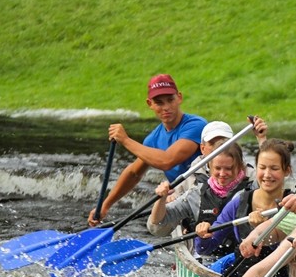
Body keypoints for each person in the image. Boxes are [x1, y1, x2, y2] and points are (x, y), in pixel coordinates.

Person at [88, 74, 207, 226]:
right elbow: (133, 173)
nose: (166, 107)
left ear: (179, 97)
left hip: (207, 195)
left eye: (170, 100)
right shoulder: (152, 140)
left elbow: (167, 160)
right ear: (149, 104)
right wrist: (105, 206)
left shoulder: (196, 125)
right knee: (155, 224)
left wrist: (125, 140)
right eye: (159, 103)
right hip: (182, 199)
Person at [195, 139, 294, 276]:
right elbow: (204, 249)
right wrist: (203, 236)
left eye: (274, 168)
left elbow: (293, 252)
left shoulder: (294, 205)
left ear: (287, 171)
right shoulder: (240, 202)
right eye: (262, 167)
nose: (267, 174)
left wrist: (262, 229)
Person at [146, 142, 249, 257]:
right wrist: (161, 199)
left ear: (240, 167)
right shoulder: (196, 194)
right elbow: (157, 222)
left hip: (244, 258)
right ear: (209, 167)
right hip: (207, 257)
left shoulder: (251, 191)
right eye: (217, 168)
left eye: (228, 168)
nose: (222, 173)